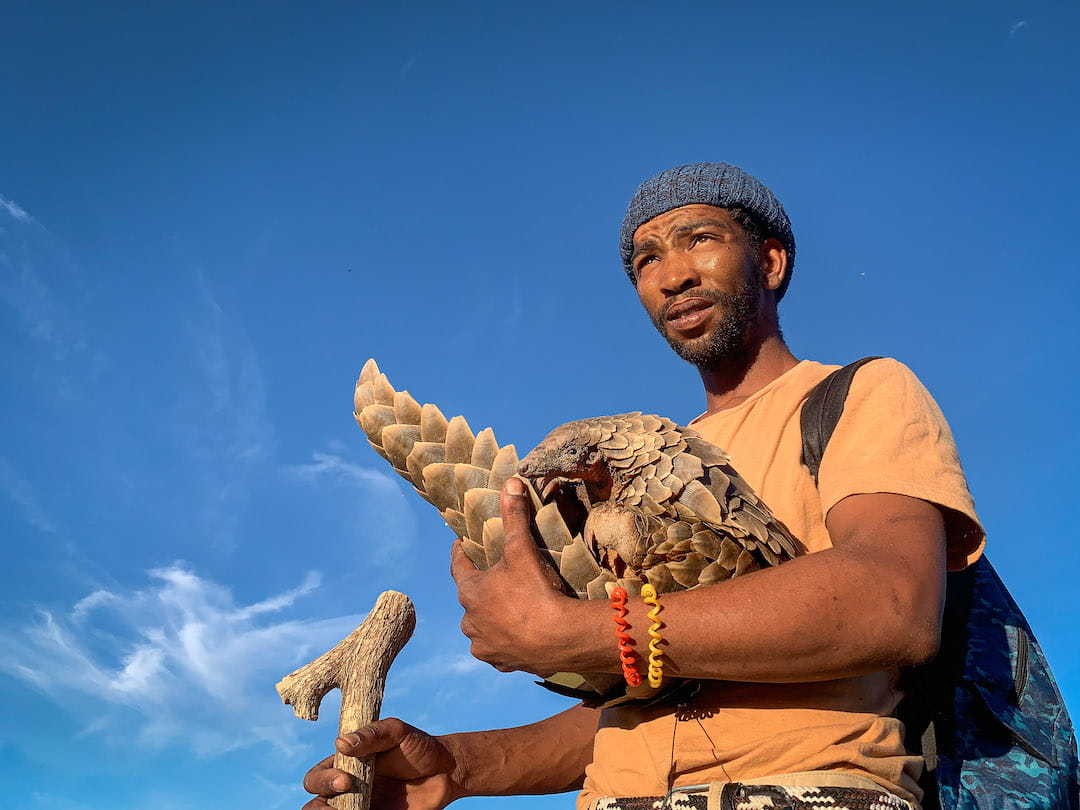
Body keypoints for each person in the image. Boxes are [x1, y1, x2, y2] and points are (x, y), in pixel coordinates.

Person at [302, 163, 984, 810]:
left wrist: (586, 630)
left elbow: (893, 601)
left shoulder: (855, 395)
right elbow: (645, 701)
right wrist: (456, 767)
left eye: (700, 239)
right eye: (646, 260)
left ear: (771, 263)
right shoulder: (630, 460)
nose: (672, 275)